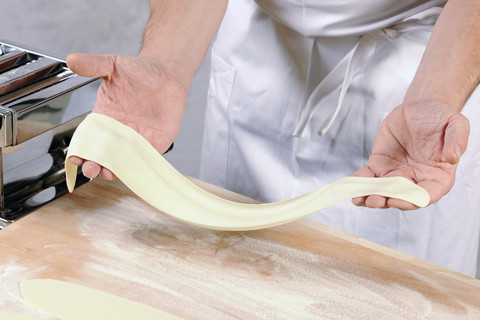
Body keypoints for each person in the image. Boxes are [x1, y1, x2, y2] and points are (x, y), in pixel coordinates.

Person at [67, 0, 480, 277]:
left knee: (390, 291)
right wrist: (167, 61)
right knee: (222, 276)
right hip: (259, 52)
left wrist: (433, 96)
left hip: (427, 67)